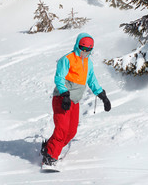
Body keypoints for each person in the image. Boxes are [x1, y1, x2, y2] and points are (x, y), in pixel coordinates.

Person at [41, 33, 111, 166]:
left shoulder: (88, 62)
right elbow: (59, 78)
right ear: (77, 45)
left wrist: (102, 95)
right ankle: (49, 157)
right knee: (61, 130)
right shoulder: (67, 59)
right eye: (82, 48)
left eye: (88, 49)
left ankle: (48, 148)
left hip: (75, 101)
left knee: (71, 131)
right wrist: (64, 94)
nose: (84, 52)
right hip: (62, 99)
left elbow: (92, 80)